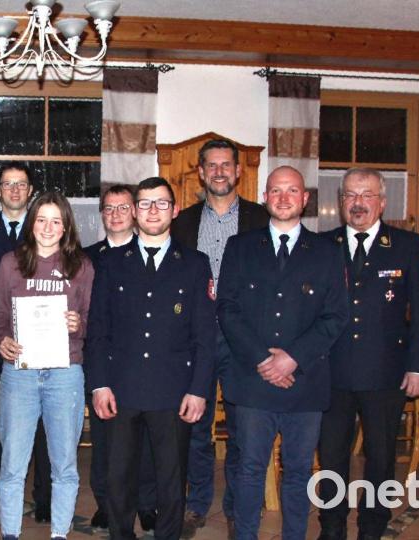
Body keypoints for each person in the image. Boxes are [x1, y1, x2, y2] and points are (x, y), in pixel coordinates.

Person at [217, 166, 348, 540]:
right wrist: (263, 358)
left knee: (298, 472)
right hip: (253, 380)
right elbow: (227, 308)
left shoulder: (326, 252)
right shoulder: (240, 247)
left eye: (293, 191)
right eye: (276, 190)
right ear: (265, 197)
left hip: (304, 383)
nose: (284, 197)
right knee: (249, 470)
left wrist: (292, 357)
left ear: (305, 199)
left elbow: (335, 315)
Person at [87, 177, 217, 540]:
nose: (152, 210)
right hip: (121, 389)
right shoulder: (111, 262)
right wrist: (99, 384)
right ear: (133, 211)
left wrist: (199, 390)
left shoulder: (194, 264)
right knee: (118, 480)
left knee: (171, 483)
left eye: (161, 203)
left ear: (174, 210)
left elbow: (205, 337)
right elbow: (98, 330)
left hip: (173, 392)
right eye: (144, 203)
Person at [317, 168, 419, 540]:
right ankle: (332, 527)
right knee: (332, 457)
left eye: (367, 195)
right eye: (350, 195)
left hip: (386, 373)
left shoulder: (407, 245)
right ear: (340, 202)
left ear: (382, 202)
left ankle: (372, 527)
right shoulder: (323, 245)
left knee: (380, 458)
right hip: (332, 373)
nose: (358, 203)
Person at [171, 138, 269, 536]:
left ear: (238, 170)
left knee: (243, 428)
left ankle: (235, 506)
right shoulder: (183, 223)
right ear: (200, 172)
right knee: (196, 425)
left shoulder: (262, 220)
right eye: (211, 166)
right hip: (196, 337)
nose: (219, 172)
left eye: (226, 165)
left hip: (243, 339)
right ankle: (197, 505)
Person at [0, 191, 95, 540]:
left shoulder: (81, 266)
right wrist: (2, 339)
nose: (48, 227)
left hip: (65, 373)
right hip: (19, 374)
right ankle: (10, 533)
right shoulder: (11, 263)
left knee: (64, 465)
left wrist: (76, 324)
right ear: (31, 222)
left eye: (56, 221)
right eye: (41, 219)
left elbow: (92, 320)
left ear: (66, 226)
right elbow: (0, 317)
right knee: (12, 466)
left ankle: (60, 534)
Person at [0, 162, 52, 523]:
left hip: (41, 345)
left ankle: (43, 496)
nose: (15, 190)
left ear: (30, 190)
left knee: (40, 425)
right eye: (7, 184)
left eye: (22, 184)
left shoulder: (46, 231)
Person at [83, 184, 159, 533]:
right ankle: (106, 503)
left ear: (135, 213)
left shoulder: (150, 253)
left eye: (122, 208)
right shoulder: (85, 257)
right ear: (102, 214)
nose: (115, 215)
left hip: (139, 364)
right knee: (104, 441)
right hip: (99, 361)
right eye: (108, 209)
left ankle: (145, 503)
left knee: (142, 441)